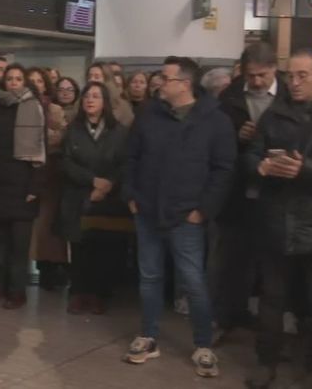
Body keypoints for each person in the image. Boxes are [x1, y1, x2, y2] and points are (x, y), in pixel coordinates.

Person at [122, 56, 236, 378]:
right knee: (150, 277)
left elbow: (223, 169)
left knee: (193, 282)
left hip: (187, 215)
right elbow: (130, 157)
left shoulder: (214, 120)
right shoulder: (148, 115)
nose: (159, 82)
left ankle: (202, 343)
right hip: (147, 210)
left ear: (184, 84)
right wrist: (131, 195)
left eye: (165, 77)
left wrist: (203, 210)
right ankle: (148, 335)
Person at [243, 49, 312, 389]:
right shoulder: (275, 114)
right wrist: (259, 166)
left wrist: (305, 171)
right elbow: (251, 153)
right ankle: (266, 362)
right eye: (291, 75)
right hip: (275, 219)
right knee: (272, 299)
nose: (295, 82)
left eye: (303, 75)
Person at [213, 43, 284, 345]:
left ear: (274, 70)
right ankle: (226, 316)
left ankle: (275, 332)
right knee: (229, 261)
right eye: (251, 76)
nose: (256, 82)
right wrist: (236, 135)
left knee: (271, 267)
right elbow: (215, 140)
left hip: (278, 193)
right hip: (236, 193)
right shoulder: (229, 98)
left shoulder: (289, 98)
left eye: (262, 75)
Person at [60, 82, 132, 315]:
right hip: (78, 194)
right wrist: (92, 181)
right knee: (79, 247)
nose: (90, 100)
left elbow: (124, 163)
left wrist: (107, 184)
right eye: (87, 96)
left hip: (108, 197)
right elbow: (67, 163)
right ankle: (78, 293)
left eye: (96, 96)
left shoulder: (119, 131)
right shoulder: (74, 129)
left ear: (105, 102)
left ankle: (98, 294)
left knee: (103, 248)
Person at [0, 64, 45, 309]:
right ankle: (0, 286)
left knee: (19, 245)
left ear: (25, 82)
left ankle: (17, 291)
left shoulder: (33, 106)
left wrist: (35, 186)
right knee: (0, 243)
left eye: (19, 78)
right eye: (10, 79)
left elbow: (41, 151)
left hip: (23, 183)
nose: (14, 82)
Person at [26, 67, 69, 291]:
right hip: (28, 171)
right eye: (31, 80)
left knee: (48, 226)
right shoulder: (21, 108)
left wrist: (39, 138)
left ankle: (51, 269)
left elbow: (60, 137)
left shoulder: (54, 109)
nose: (36, 84)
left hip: (50, 173)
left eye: (39, 81)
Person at [87, 62, 134, 127]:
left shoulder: (120, 105)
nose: (92, 80)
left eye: (96, 77)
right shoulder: (82, 101)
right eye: (89, 77)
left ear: (107, 80)